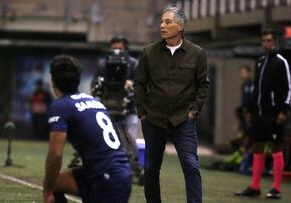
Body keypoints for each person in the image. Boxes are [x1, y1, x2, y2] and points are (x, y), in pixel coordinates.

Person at [134, 6, 209, 203]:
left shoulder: (197, 53)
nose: (162, 26)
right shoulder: (149, 52)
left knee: (191, 166)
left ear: (181, 26)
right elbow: (139, 83)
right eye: (161, 22)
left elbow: (203, 86)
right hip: (154, 119)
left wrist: (194, 111)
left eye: (168, 22)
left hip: (183, 119)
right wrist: (142, 112)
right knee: (150, 169)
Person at [43, 55, 131, 203]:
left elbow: (55, 155)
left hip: (105, 179)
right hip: (119, 173)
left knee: (50, 184)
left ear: (52, 81)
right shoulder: (93, 101)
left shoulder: (60, 105)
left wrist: (46, 192)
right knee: (55, 183)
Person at [234, 29, 291, 199]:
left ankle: (276, 189)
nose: (266, 44)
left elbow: (288, 89)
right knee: (257, 147)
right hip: (259, 114)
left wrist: (283, 111)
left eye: (269, 40)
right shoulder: (260, 61)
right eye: (263, 41)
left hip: (274, 114)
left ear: (275, 41)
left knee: (275, 148)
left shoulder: (281, 62)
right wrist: (250, 110)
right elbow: (257, 89)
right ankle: (255, 187)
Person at [91, 36, 143, 183]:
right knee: (108, 141)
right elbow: (95, 84)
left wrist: (131, 84)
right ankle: (110, 170)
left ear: (126, 49)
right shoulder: (103, 64)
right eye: (114, 48)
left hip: (128, 108)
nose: (117, 51)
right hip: (108, 107)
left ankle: (133, 171)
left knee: (129, 140)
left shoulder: (133, 64)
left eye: (120, 48)